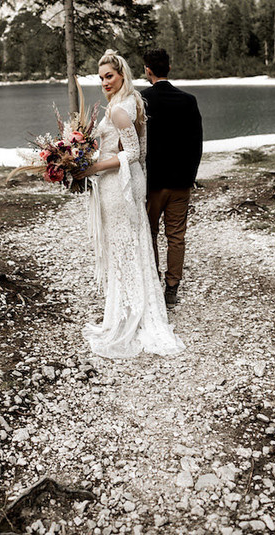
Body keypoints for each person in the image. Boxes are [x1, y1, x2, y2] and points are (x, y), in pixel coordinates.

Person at [77, 49, 184, 359]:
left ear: (121, 74)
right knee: (128, 245)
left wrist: (93, 167)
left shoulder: (120, 110)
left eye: (109, 76)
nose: (104, 82)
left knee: (125, 246)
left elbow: (136, 153)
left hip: (119, 185)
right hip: (127, 182)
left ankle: (129, 313)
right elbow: (135, 150)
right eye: (100, 78)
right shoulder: (133, 102)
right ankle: (129, 304)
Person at [142, 48, 203, 307]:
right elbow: (196, 142)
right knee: (176, 235)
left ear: (148, 70)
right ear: (169, 68)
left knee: (150, 233)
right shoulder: (188, 100)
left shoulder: (141, 99)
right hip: (180, 181)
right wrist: (190, 176)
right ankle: (172, 287)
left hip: (152, 183)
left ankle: (153, 282)